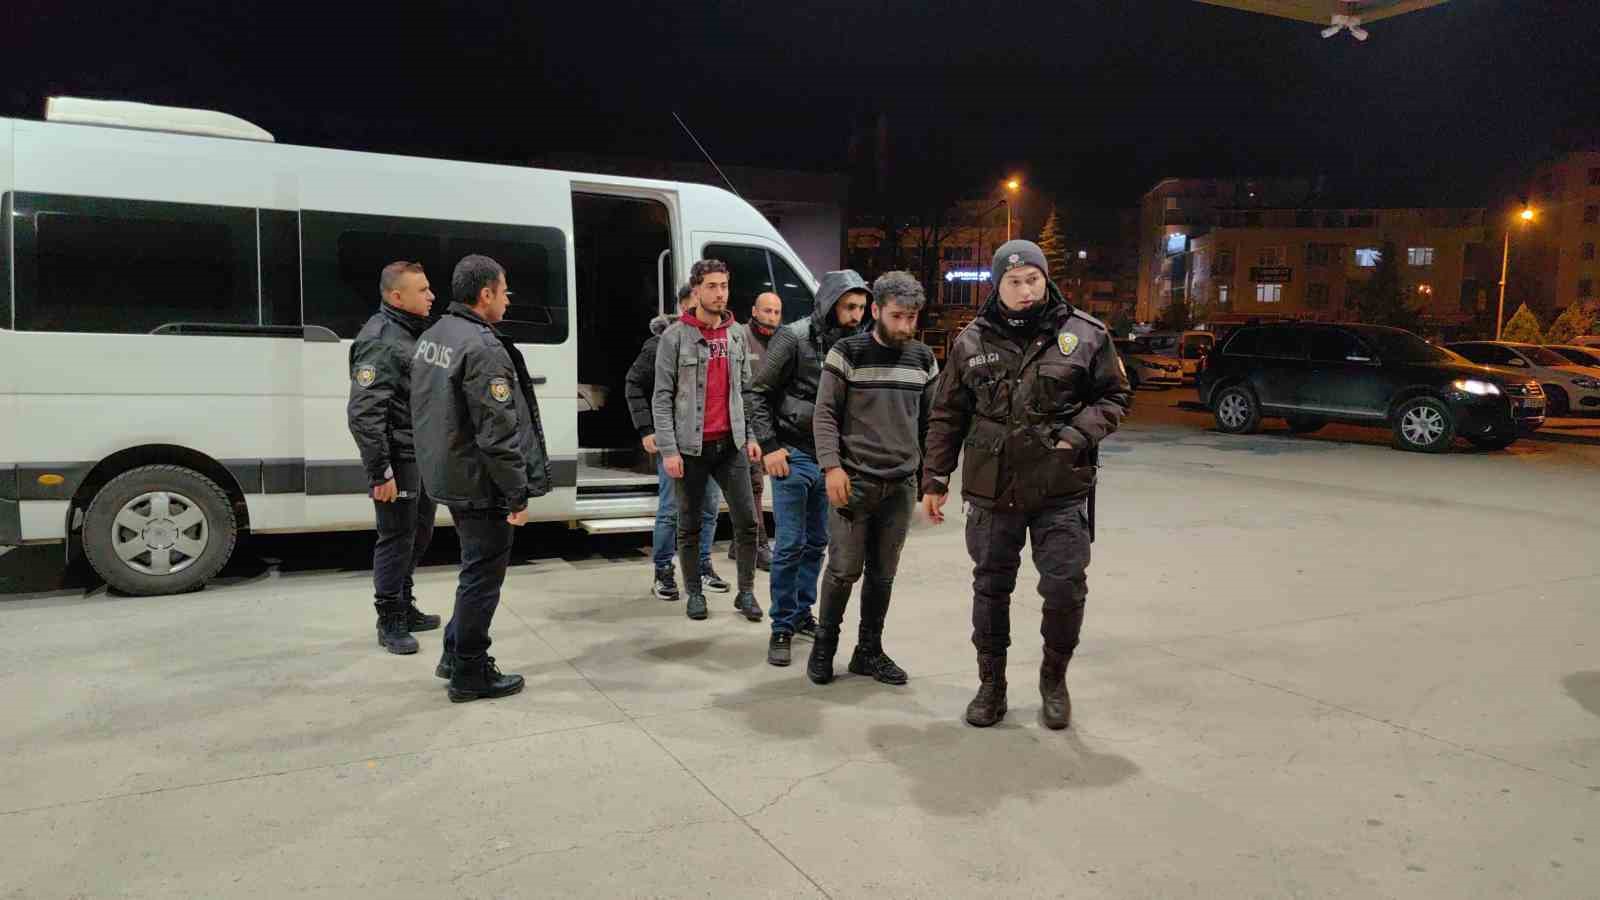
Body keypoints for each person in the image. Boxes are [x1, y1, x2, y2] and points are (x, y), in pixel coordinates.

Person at [921, 240, 1131, 729]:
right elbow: (947, 414)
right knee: (991, 588)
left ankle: (1054, 679)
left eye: (1033, 279)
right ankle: (990, 685)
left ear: (1045, 279)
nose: (1025, 290)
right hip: (993, 490)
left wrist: (1076, 435)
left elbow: (1115, 396)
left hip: (1060, 487)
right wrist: (935, 476)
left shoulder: (1085, 334)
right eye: (1014, 282)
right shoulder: (971, 341)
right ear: (997, 286)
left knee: (1065, 587)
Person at [412, 254, 553, 702]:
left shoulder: (435, 334)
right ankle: (470, 671)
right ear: (486, 293)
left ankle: (454, 654)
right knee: (482, 577)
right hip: (480, 482)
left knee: (473, 569)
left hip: (450, 472)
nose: (508, 300)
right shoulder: (484, 348)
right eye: (504, 291)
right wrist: (517, 494)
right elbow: (498, 434)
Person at [804, 271, 937, 678]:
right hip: (854, 481)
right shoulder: (847, 353)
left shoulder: (923, 359)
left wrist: (933, 478)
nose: (905, 326)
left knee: (883, 574)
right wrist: (832, 467)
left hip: (901, 486)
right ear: (876, 311)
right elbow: (825, 414)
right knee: (844, 570)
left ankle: (868, 651)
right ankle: (823, 648)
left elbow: (932, 424)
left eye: (911, 317)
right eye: (897, 316)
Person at [747, 271, 871, 662]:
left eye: (861, 307)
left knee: (817, 543)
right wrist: (770, 447)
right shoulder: (793, 337)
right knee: (790, 545)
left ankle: (801, 613)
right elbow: (757, 393)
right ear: (830, 303)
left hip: (831, 460)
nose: (856, 315)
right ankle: (781, 627)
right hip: (793, 454)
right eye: (849, 306)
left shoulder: (856, 342)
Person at [652, 259, 764, 622]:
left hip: (731, 445)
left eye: (724, 286)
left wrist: (750, 435)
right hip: (691, 448)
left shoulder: (736, 335)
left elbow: (746, 390)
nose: (719, 293)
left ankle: (745, 592)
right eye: (712, 286)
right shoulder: (674, 337)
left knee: (748, 522)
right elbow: (661, 397)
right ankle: (694, 593)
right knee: (689, 525)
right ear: (696, 290)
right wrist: (669, 450)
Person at [347, 261, 442, 656]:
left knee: (419, 534)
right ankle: (389, 619)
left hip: (420, 453)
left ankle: (405, 602)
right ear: (396, 296)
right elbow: (364, 413)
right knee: (396, 538)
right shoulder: (381, 340)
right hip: (397, 458)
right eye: (422, 290)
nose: (431, 296)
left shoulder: (412, 333)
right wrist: (380, 472)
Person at [626, 285, 727, 600]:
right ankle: (663, 570)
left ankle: (702, 566)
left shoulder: (719, 340)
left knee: (709, 507)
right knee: (672, 509)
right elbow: (634, 383)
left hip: (711, 440)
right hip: (675, 441)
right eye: (695, 300)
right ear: (683, 305)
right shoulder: (661, 343)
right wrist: (647, 429)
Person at [728, 290, 784, 571]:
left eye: (776, 312)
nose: (772, 317)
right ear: (754, 311)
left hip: (770, 424)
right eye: (767, 311)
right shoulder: (738, 336)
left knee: (758, 485)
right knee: (754, 486)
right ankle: (759, 545)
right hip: (743, 423)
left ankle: (739, 545)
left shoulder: (783, 340)